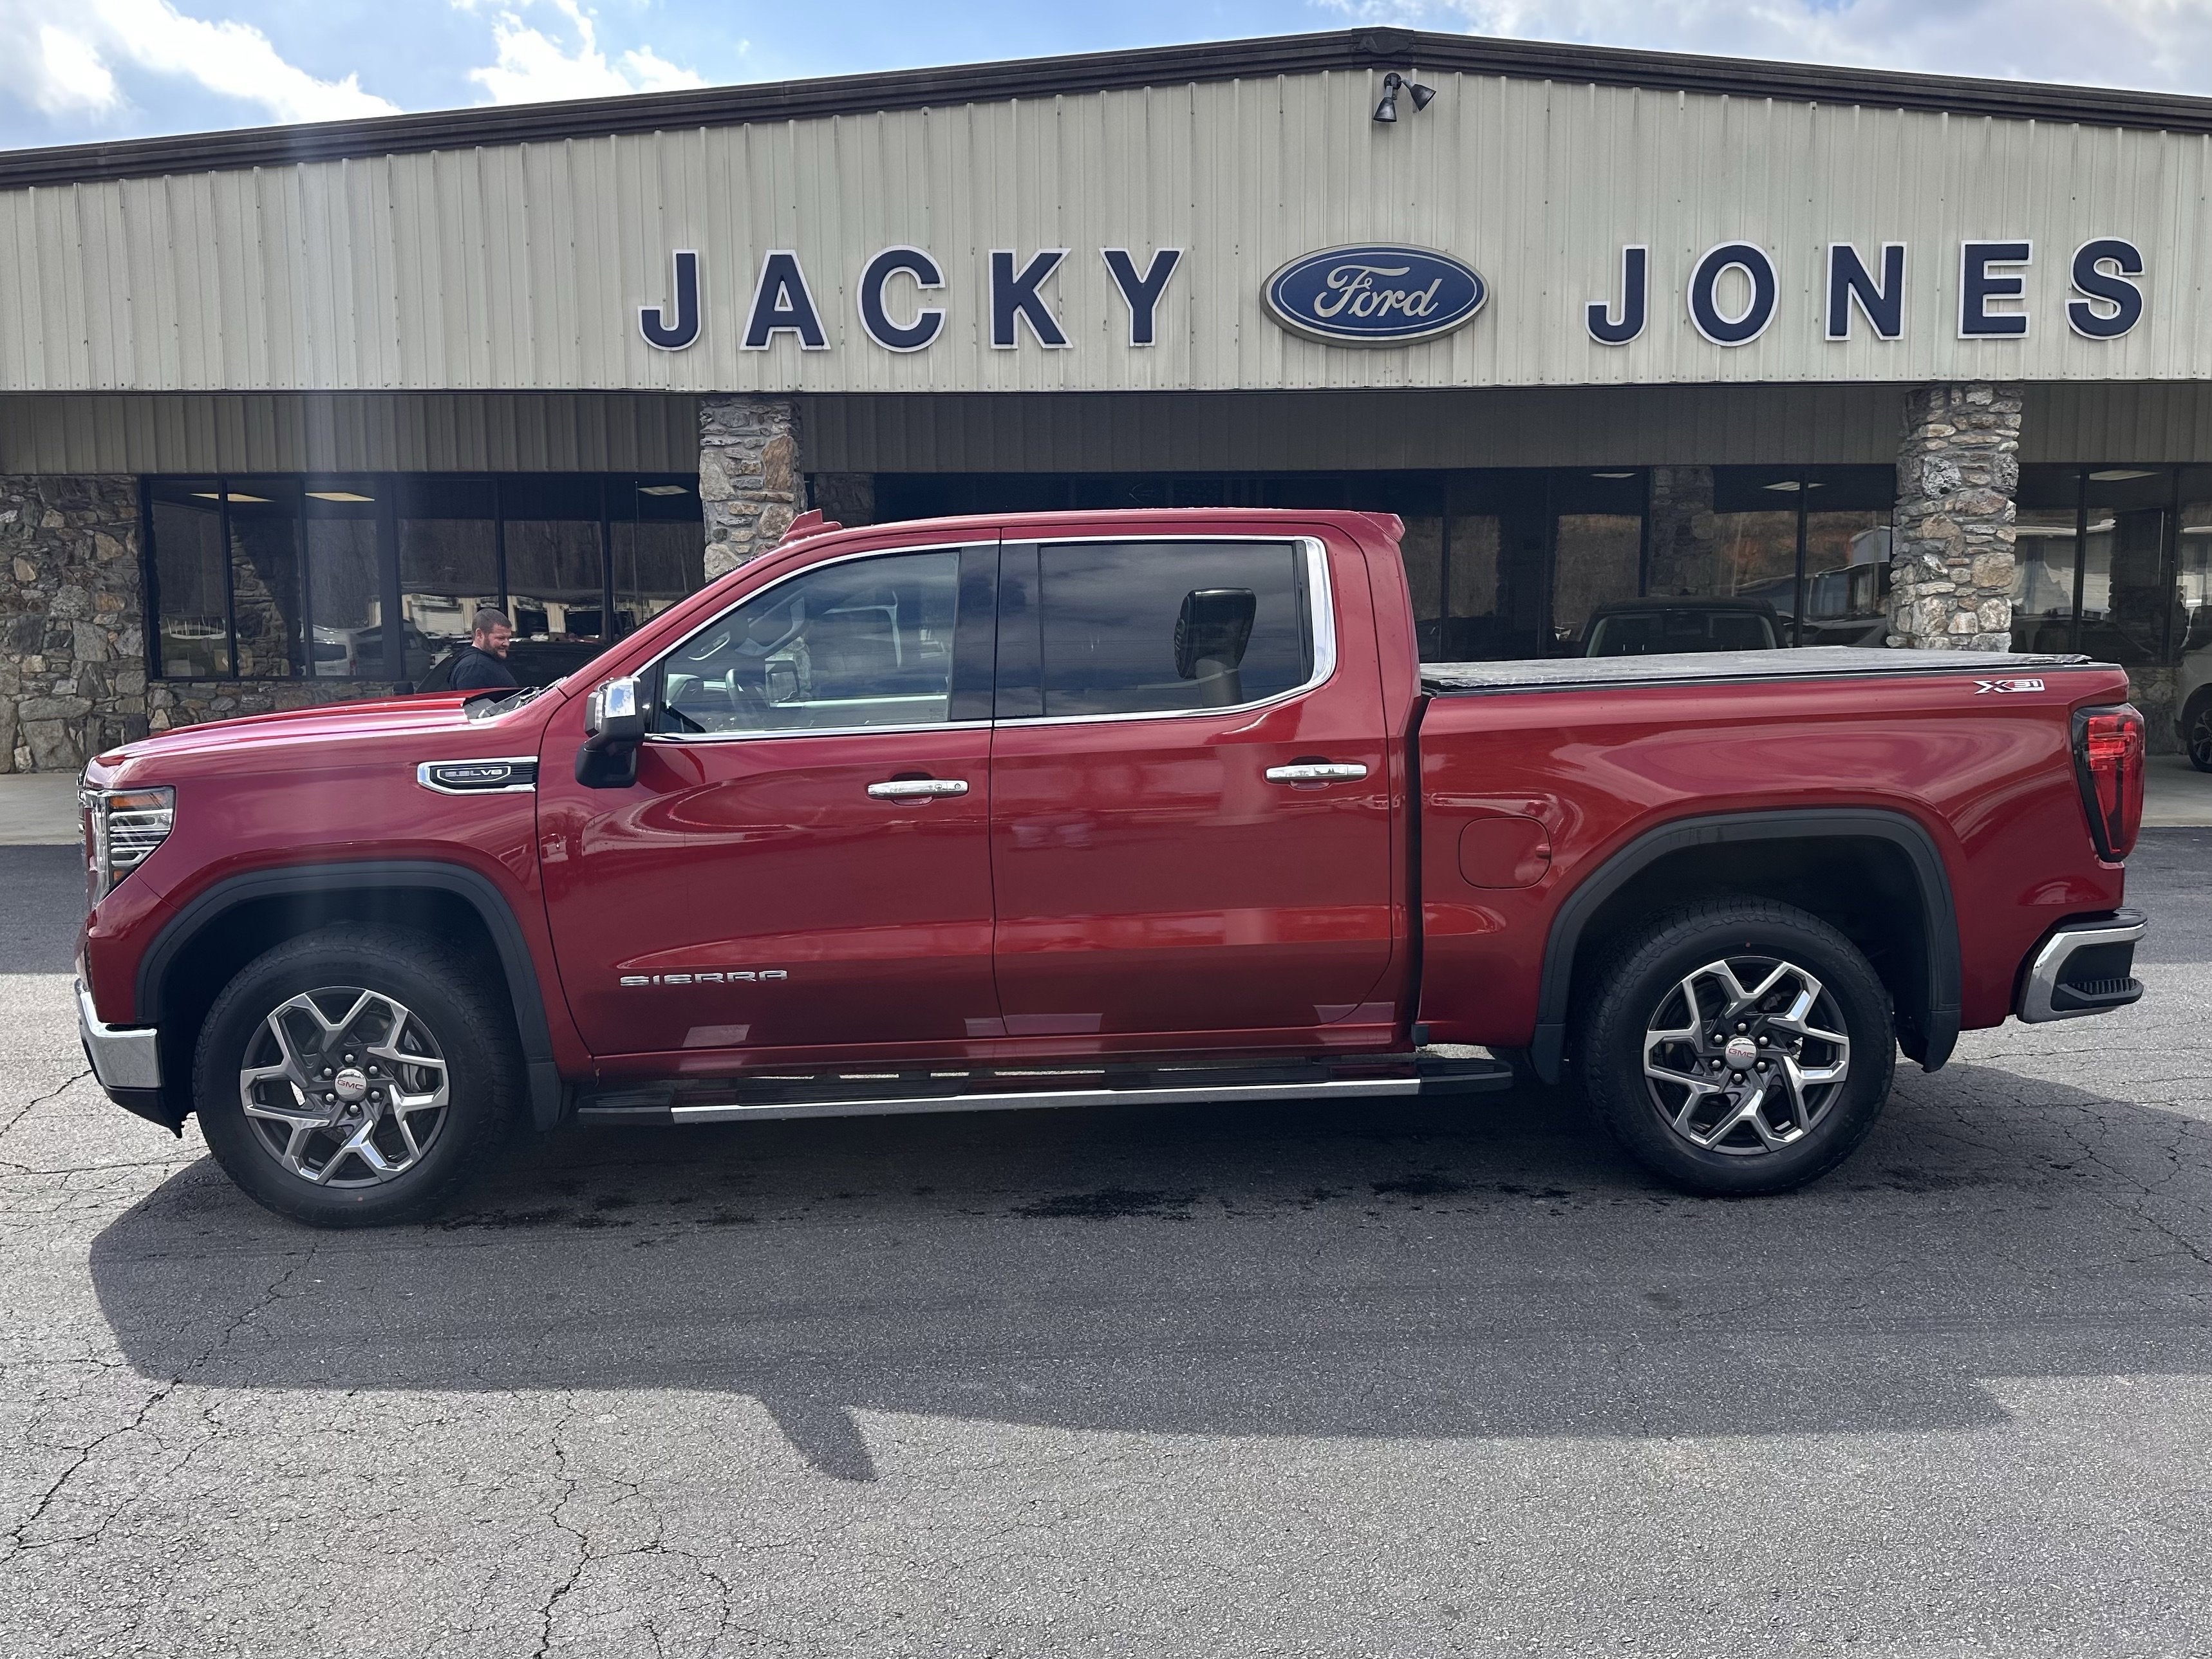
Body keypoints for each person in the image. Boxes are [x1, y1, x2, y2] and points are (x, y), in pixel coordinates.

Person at [447, 607, 521, 700]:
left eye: (508, 638)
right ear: (480, 635)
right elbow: (474, 711)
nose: (507, 643)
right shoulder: (475, 667)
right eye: (500, 638)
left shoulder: (479, 663)